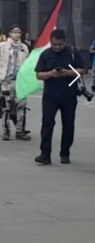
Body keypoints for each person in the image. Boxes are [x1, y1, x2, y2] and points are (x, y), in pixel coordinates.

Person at [34, 29, 85, 165]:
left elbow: (81, 70)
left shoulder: (73, 53)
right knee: (47, 123)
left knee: (68, 124)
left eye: (60, 44)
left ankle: (65, 153)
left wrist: (67, 72)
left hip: (69, 94)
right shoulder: (45, 54)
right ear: (51, 42)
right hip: (50, 94)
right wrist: (51, 74)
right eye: (54, 44)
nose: (57, 47)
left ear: (64, 42)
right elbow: (38, 74)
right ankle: (45, 154)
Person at [0, 24, 31, 141]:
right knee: (6, 106)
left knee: (21, 106)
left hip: (20, 81)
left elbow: (28, 64)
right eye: (15, 32)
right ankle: (6, 131)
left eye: (19, 32)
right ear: (10, 33)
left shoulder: (24, 47)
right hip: (5, 80)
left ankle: (20, 130)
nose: (17, 34)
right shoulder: (2, 46)